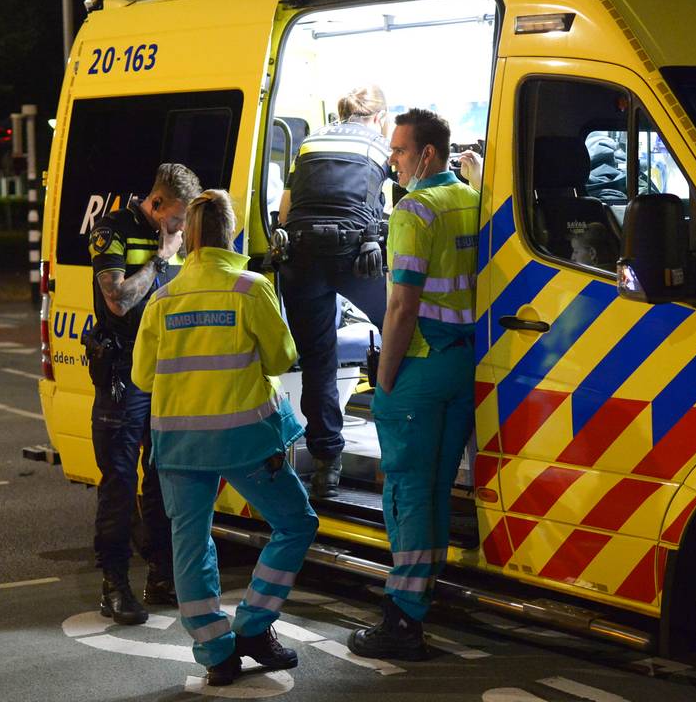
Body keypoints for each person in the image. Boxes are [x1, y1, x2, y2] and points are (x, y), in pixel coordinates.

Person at [132, 190, 317, 687]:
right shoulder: (250, 288)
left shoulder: (163, 297)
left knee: (189, 543)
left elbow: (144, 378)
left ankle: (215, 652)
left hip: (178, 443)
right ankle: (254, 626)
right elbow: (281, 359)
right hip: (245, 441)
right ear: (231, 232)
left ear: (187, 237)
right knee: (295, 524)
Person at [347, 108, 479, 660]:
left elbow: (400, 307)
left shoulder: (413, 210)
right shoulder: (473, 201)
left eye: (399, 151)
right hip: (463, 364)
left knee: (406, 493)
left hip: (420, 364)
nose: (392, 160)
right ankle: (423, 598)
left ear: (426, 154)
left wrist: (384, 378)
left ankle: (401, 620)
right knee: (438, 489)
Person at [85, 162, 200, 625]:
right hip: (122, 374)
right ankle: (114, 585)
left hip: (164, 372)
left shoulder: (176, 237)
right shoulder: (111, 231)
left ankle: (163, 575)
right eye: (175, 219)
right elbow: (118, 300)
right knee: (118, 481)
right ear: (155, 204)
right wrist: (160, 256)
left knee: (162, 475)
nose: (179, 229)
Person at [277, 85, 392, 498]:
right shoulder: (380, 145)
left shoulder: (309, 142)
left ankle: (327, 464)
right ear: (379, 117)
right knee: (399, 335)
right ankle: (400, 441)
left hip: (301, 255)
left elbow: (287, 209)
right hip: (354, 254)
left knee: (318, 360)